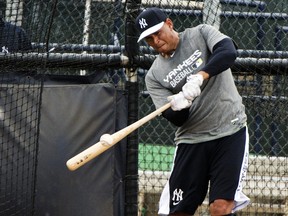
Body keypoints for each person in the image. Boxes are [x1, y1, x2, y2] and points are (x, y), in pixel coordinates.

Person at [135, 7, 250, 216]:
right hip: (191, 140)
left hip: (229, 130)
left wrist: (200, 76)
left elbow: (228, 51)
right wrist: (180, 105)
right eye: (149, 39)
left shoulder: (201, 33)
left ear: (169, 24)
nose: (156, 41)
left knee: (221, 207)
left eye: (158, 33)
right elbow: (177, 120)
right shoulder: (153, 76)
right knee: (178, 211)